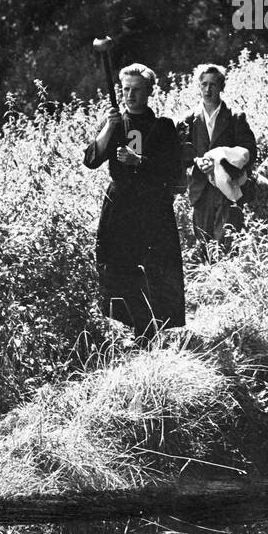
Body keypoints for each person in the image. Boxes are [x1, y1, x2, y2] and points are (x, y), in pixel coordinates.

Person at [83, 63, 186, 338]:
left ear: (149, 92)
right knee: (119, 267)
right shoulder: (116, 124)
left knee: (156, 268)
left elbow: (173, 171)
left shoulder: (163, 127)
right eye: (126, 89)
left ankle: (155, 330)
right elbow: (91, 160)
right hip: (120, 208)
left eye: (137, 90)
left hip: (153, 207)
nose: (130, 95)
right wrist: (108, 127)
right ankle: (138, 328)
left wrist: (140, 161)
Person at [179, 64, 258, 257]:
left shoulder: (234, 117)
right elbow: (180, 152)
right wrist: (197, 161)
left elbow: (250, 152)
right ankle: (210, 281)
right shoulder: (189, 119)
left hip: (228, 188)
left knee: (229, 242)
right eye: (204, 84)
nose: (208, 90)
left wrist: (223, 161)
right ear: (198, 86)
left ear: (222, 87)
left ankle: (229, 281)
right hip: (201, 189)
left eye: (213, 85)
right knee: (204, 242)